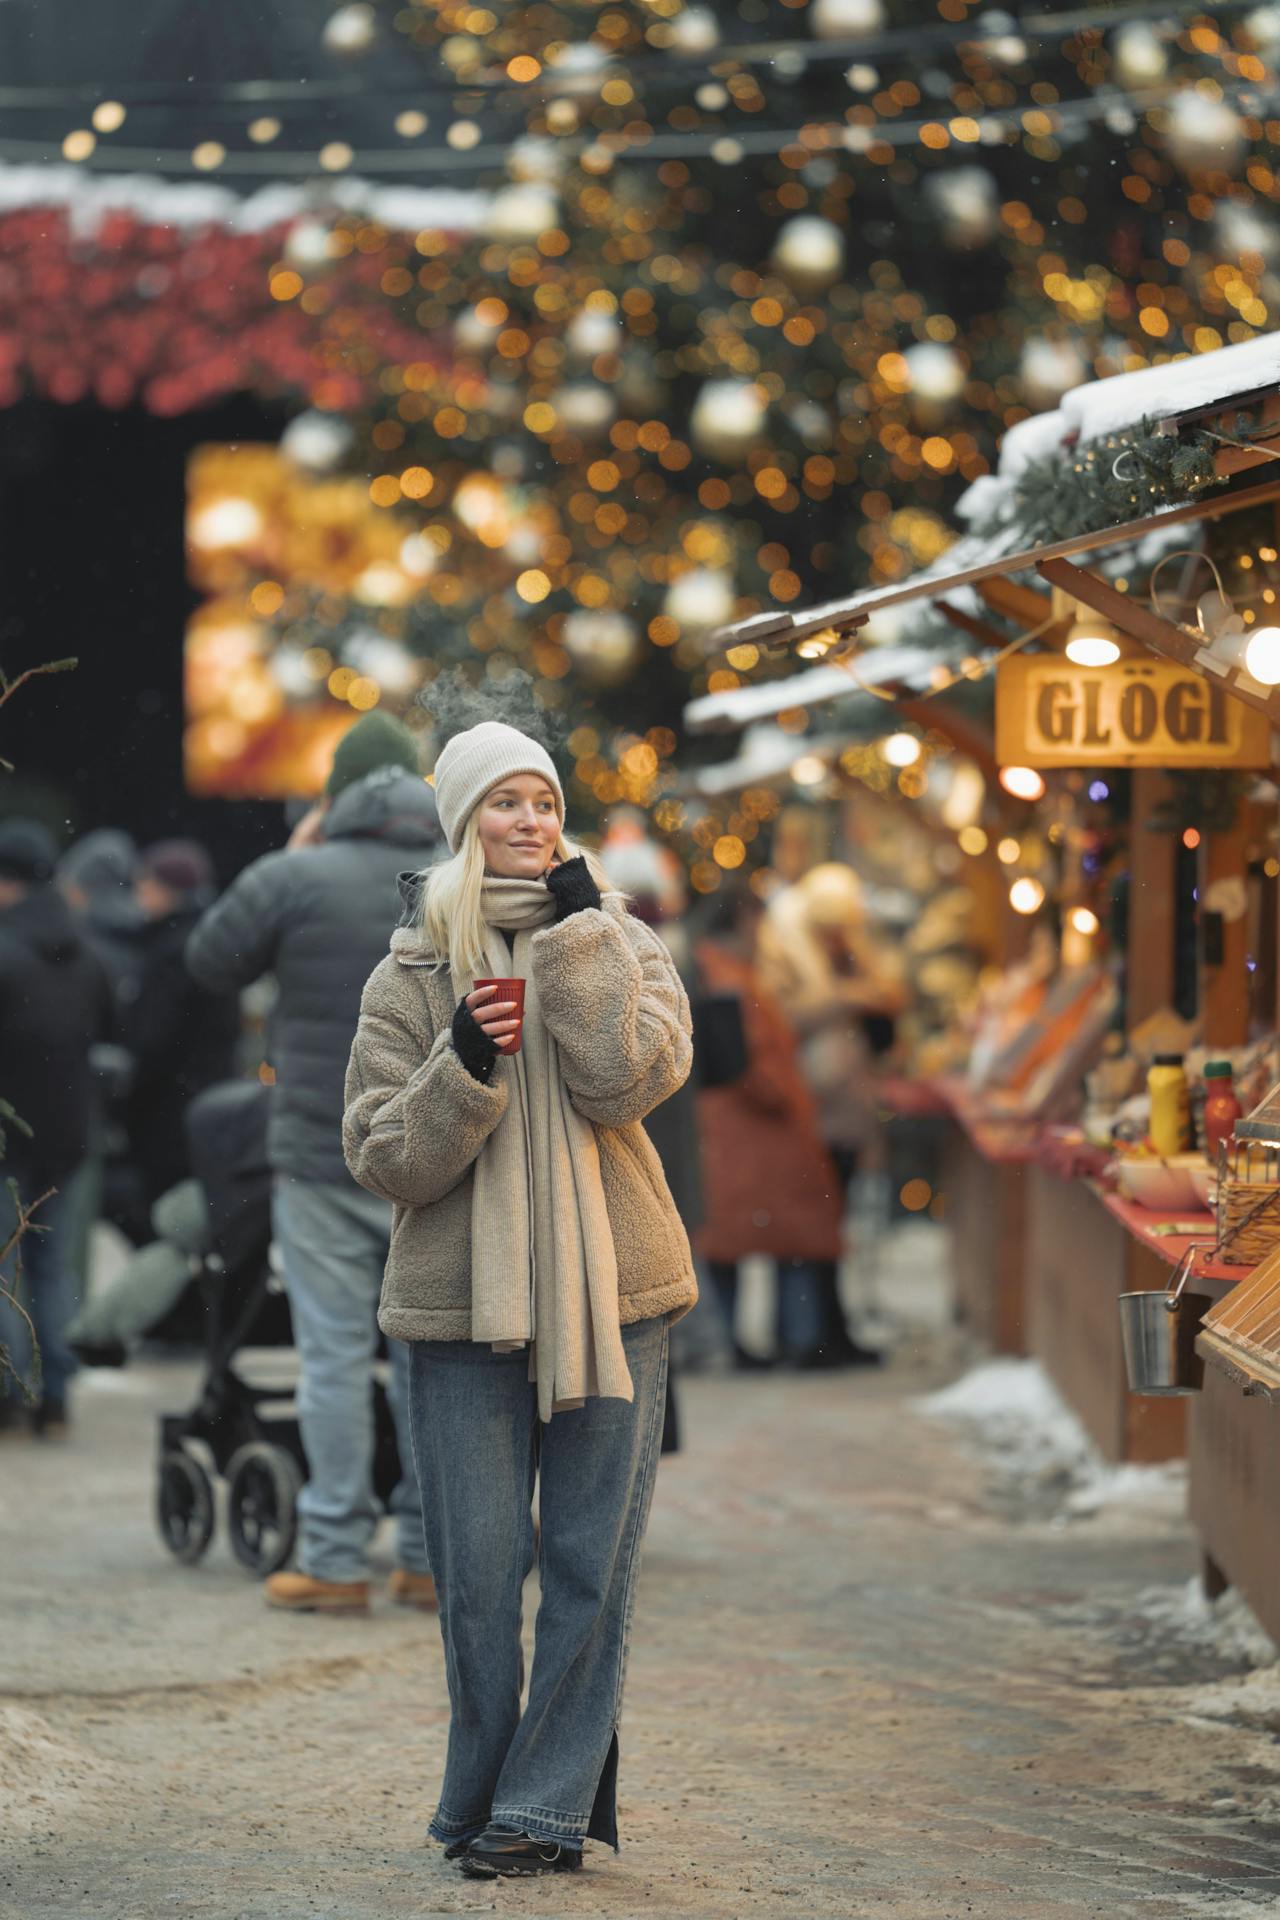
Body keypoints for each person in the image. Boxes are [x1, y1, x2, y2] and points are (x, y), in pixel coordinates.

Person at [343, 719, 697, 1879]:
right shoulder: (406, 974)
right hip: (460, 1312)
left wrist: (586, 940)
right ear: (461, 822)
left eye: (545, 800)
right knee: (482, 1583)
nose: (531, 821)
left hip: (619, 1294)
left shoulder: (621, 941)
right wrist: (463, 1064)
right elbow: (383, 1158)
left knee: (594, 1566)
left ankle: (539, 1811)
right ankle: (483, 1793)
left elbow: (626, 1080)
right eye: (505, 802)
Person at [186, 714, 441, 1614]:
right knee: (429, 1359)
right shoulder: (458, 880)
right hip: (435, 1156)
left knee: (331, 1356)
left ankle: (334, 1558)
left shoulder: (294, 876)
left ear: (331, 799)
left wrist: (301, 847)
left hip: (323, 1152)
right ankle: (426, 1556)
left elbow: (209, 961)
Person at [692, 881, 846, 1368]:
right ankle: (785, 1341)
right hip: (756, 1136)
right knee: (785, 1241)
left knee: (736, 1244)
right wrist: (787, 1095)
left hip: (738, 1136)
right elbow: (749, 1063)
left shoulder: (716, 971)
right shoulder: (731, 978)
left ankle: (737, 1342)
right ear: (743, 921)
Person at [757, 863, 904, 1366]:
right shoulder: (787, 949)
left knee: (831, 1221)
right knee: (810, 1224)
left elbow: (884, 994)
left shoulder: (842, 952)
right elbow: (783, 1017)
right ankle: (812, 1334)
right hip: (807, 1105)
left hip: (841, 1105)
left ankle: (828, 1331)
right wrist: (847, 998)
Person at [0, 819, 113, 1436]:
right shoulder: (86, 952)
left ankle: (12, 1391)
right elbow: (107, 1032)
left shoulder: (3, 949)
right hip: (68, 1135)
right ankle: (58, 1397)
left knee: (4, 1267)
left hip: (7, 1137)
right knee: (52, 1268)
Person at [120, 839, 239, 1215]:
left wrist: (129, 1087)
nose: (139, 893)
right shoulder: (216, 939)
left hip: (168, 1108)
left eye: (144, 883)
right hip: (209, 1097)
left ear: (166, 889)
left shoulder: (170, 949)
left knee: (163, 1212)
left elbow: (154, 1036)